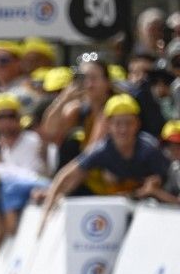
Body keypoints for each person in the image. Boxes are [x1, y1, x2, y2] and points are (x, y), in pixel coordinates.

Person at [42, 94, 177, 228]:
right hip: (125, 208)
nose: (123, 129)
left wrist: (153, 191)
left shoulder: (149, 149)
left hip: (161, 212)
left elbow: (170, 185)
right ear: (108, 125)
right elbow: (68, 176)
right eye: (118, 123)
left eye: (128, 123)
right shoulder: (102, 150)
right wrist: (47, 209)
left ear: (137, 124)